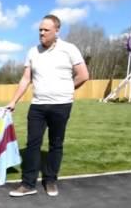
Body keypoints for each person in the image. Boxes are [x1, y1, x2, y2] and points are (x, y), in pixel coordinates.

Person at [5, 14, 89, 197]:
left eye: (46, 30)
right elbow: (26, 78)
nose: (41, 33)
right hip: (38, 106)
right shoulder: (32, 52)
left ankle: (50, 180)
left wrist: (67, 88)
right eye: (40, 30)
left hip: (61, 105)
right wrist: (13, 101)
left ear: (57, 31)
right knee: (33, 144)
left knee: (55, 144)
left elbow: (83, 75)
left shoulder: (69, 49)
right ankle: (28, 184)